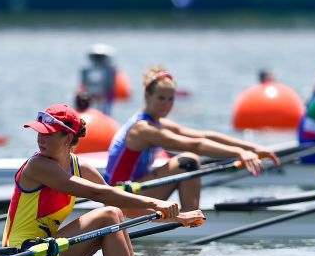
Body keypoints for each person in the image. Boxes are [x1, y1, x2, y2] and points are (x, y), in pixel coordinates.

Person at [3, 104, 203, 256]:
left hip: (45, 253)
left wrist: (178, 218)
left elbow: (125, 208)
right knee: (108, 215)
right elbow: (98, 193)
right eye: (39, 132)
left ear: (68, 137)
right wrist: (156, 203)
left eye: (48, 134)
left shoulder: (80, 166)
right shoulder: (38, 166)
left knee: (114, 212)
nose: (40, 138)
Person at [104, 67, 280, 210]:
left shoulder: (157, 122)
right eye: (161, 98)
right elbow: (195, 145)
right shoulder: (143, 129)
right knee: (188, 161)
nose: (166, 105)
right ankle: (192, 219)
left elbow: (204, 135)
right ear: (147, 96)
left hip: (131, 193)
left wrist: (253, 149)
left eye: (170, 99)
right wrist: (240, 153)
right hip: (120, 200)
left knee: (188, 160)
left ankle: (190, 216)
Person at [78, 43, 118, 115]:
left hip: (105, 95)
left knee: (106, 113)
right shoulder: (85, 70)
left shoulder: (110, 70)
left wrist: (108, 96)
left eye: (100, 57)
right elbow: (83, 84)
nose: (98, 59)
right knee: (88, 112)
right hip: (90, 94)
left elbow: (111, 85)